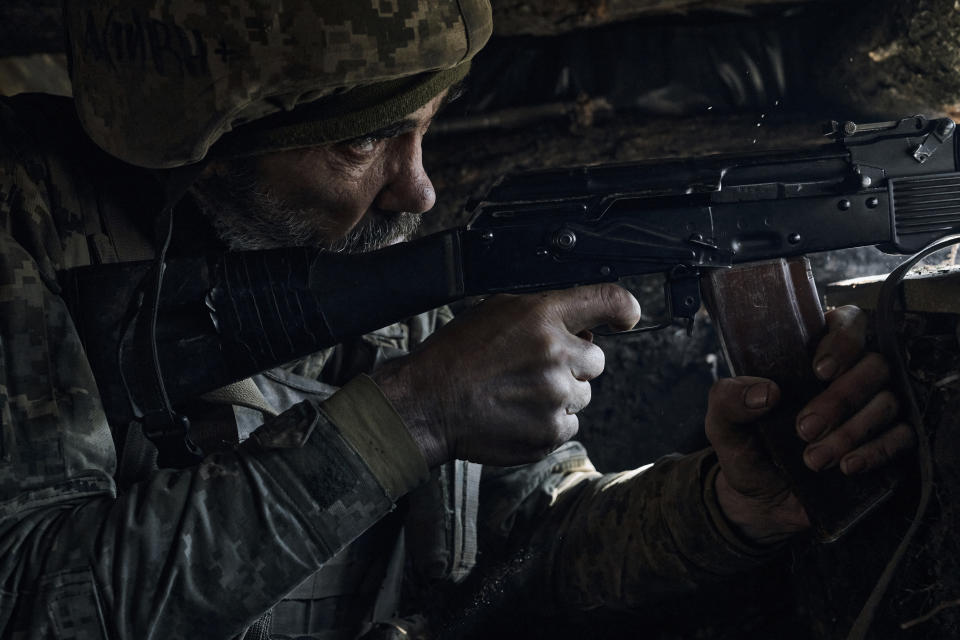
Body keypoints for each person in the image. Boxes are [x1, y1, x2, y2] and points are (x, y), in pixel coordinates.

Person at [0, 1, 914, 638]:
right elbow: (38, 603)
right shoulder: (33, 227)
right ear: (202, 141)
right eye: (364, 142)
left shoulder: (375, 253)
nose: (419, 187)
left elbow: (532, 546)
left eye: (425, 129)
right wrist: (414, 414)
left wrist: (725, 505)